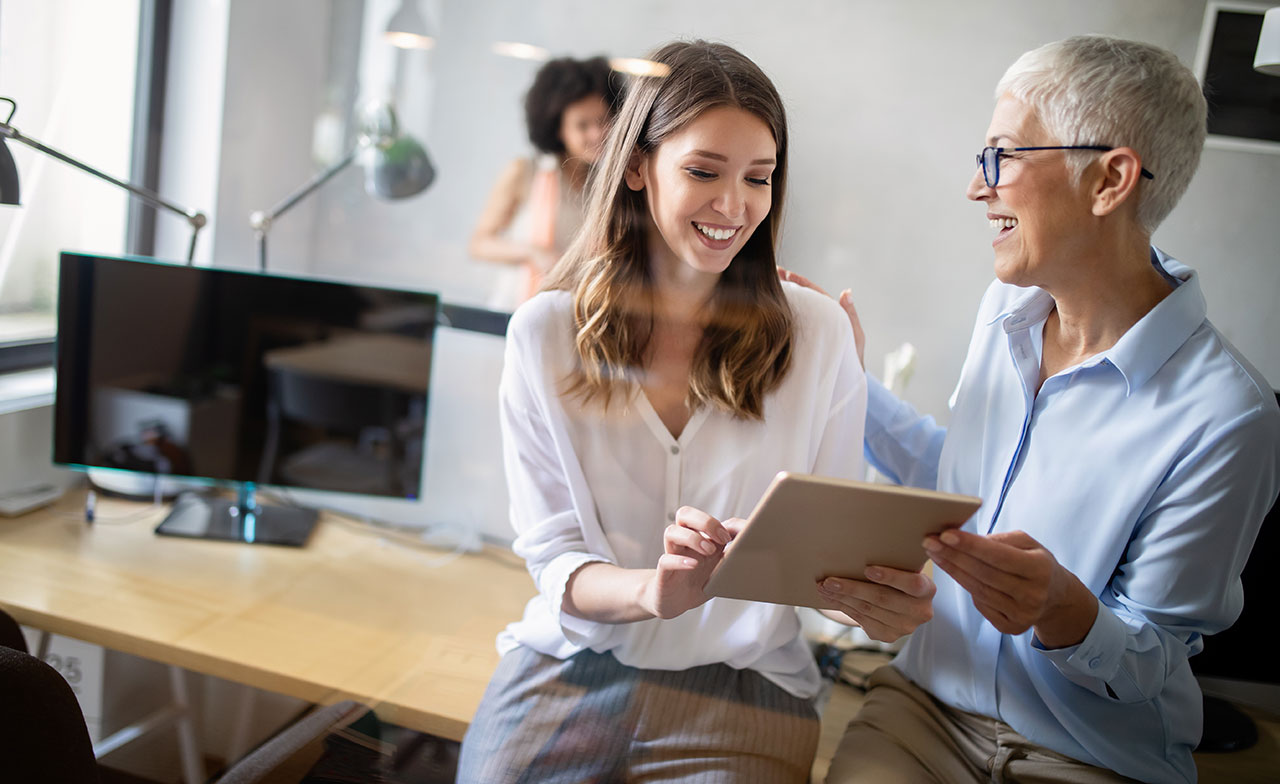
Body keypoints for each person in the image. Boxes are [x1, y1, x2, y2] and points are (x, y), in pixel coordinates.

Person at [804, 35, 1280, 784]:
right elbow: (964, 485)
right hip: (927, 711)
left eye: (1002, 155)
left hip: (1089, 753)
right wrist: (841, 382)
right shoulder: (1006, 310)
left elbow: (1152, 658)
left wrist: (1066, 614)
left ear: (1109, 180)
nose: (976, 186)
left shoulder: (1229, 416)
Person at [456, 40, 933, 783]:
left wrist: (870, 604)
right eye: (704, 172)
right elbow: (554, 560)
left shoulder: (818, 335)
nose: (734, 205)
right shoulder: (545, 333)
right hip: (577, 663)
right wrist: (653, 591)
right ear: (639, 167)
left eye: (759, 178)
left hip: (746, 684)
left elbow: (827, 570)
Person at [469, 55, 621, 309]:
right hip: (516, 309)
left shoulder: (607, 185)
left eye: (603, 121)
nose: (597, 134)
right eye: (582, 125)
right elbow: (479, 244)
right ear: (558, 128)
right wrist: (533, 253)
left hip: (573, 314)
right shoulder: (524, 172)